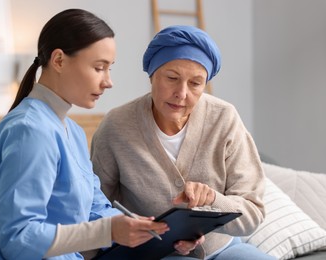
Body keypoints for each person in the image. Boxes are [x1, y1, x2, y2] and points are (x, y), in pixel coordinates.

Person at [0, 9, 169, 260]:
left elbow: (95, 208)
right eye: (99, 68)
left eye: (110, 69)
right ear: (58, 60)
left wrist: (157, 232)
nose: (108, 82)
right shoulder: (29, 131)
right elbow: (19, 239)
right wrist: (107, 231)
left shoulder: (72, 132)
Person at [90, 25, 276, 259]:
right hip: (154, 252)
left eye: (196, 83)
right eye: (172, 78)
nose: (182, 93)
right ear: (152, 75)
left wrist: (212, 200)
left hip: (222, 248)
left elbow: (252, 214)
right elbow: (93, 208)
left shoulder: (224, 118)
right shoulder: (116, 126)